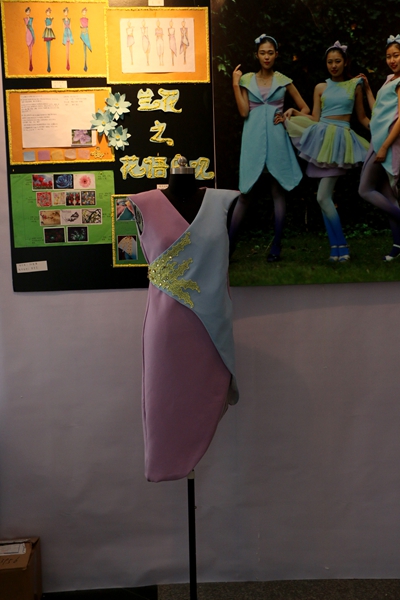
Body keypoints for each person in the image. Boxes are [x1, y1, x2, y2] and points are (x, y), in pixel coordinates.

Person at [129, 160, 240, 482]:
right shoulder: (141, 203)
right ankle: (166, 463)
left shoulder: (227, 201)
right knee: (165, 399)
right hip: (166, 326)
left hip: (212, 325)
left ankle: (187, 455)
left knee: (207, 395)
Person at [285, 41, 370, 262]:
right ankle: (336, 248)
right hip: (321, 141)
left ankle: (342, 247)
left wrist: (380, 132)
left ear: (345, 62)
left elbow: (362, 117)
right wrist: (294, 111)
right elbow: (315, 118)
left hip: (340, 142)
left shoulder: (355, 85)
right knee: (324, 198)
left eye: (338, 61)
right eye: (330, 62)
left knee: (323, 197)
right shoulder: (320, 87)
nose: (333, 65)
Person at [232, 34, 310, 262]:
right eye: (262, 53)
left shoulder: (284, 80)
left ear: (276, 55)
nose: (266, 57)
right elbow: (244, 112)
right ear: (256, 55)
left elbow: (305, 109)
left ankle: (276, 246)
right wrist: (235, 84)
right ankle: (228, 247)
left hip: (277, 141)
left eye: (270, 53)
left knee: (278, 191)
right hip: (253, 141)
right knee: (245, 194)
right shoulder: (246, 80)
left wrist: (290, 113)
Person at [358, 35, 400, 261]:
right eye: (388, 56)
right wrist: (367, 90)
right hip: (379, 139)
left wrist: (383, 147)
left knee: (364, 189)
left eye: (396, 55)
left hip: (386, 143)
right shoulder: (390, 79)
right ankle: (397, 245)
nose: (392, 60)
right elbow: (378, 112)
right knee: (388, 195)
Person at [42, 7, 55, 73]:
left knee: (49, 47)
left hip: (50, 33)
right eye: (47, 12)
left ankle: (49, 65)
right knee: (47, 48)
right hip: (46, 33)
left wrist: (48, 26)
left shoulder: (51, 19)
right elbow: (45, 26)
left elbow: (51, 26)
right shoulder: (45, 19)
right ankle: (48, 65)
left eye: (49, 12)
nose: (48, 13)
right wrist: (48, 26)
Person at [62, 7, 74, 71]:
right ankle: (67, 63)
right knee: (66, 50)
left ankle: (68, 63)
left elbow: (70, 28)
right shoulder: (63, 20)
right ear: (64, 13)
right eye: (65, 12)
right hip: (65, 35)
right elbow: (63, 28)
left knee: (69, 50)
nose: (66, 13)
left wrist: (71, 36)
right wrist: (64, 37)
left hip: (69, 34)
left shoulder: (69, 19)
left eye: (67, 12)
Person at [24, 7, 35, 72]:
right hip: (28, 34)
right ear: (25, 12)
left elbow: (32, 27)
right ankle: (30, 64)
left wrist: (33, 35)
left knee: (31, 50)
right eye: (27, 12)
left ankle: (31, 63)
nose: (28, 13)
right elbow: (25, 28)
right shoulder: (25, 19)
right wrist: (26, 36)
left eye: (29, 11)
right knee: (29, 50)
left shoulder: (31, 19)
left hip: (31, 33)